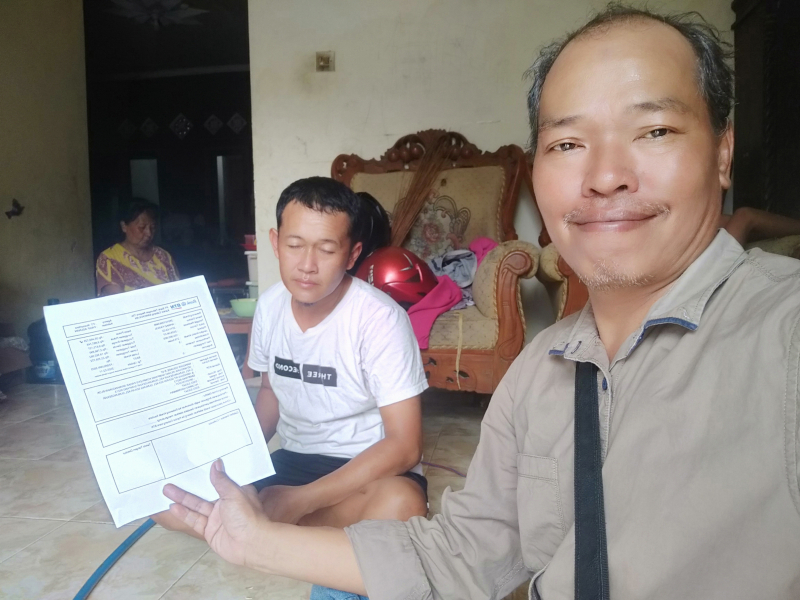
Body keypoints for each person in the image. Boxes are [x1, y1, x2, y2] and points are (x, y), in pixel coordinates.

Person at [163, 5, 800, 599]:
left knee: (396, 503)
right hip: (299, 466)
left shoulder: (783, 333)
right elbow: (465, 555)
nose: (606, 176)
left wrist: (292, 508)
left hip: (356, 471)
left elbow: (402, 451)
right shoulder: (538, 373)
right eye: (568, 144)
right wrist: (252, 537)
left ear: (723, 152)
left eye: (654, 130)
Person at [153, 176, 428, 539]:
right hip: (294, 460)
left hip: (364, 466)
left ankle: (257, 532)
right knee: (165, 500)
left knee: (402, 504)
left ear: (352, 254)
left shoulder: (381, 318)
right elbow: (270, 391)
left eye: (326, 250)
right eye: (295, 245)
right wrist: (236, 460)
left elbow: (405, 446)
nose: (307, 265)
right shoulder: (270, 306)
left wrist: (302, 500)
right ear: (276, 243)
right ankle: (282, 535)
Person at [95, 200, 179, 296]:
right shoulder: (109, 259)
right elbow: (116, 300)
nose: (149, 233)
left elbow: (179, 292)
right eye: (142, 227)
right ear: (124, 226)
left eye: (153, 227)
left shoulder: (164, 257)